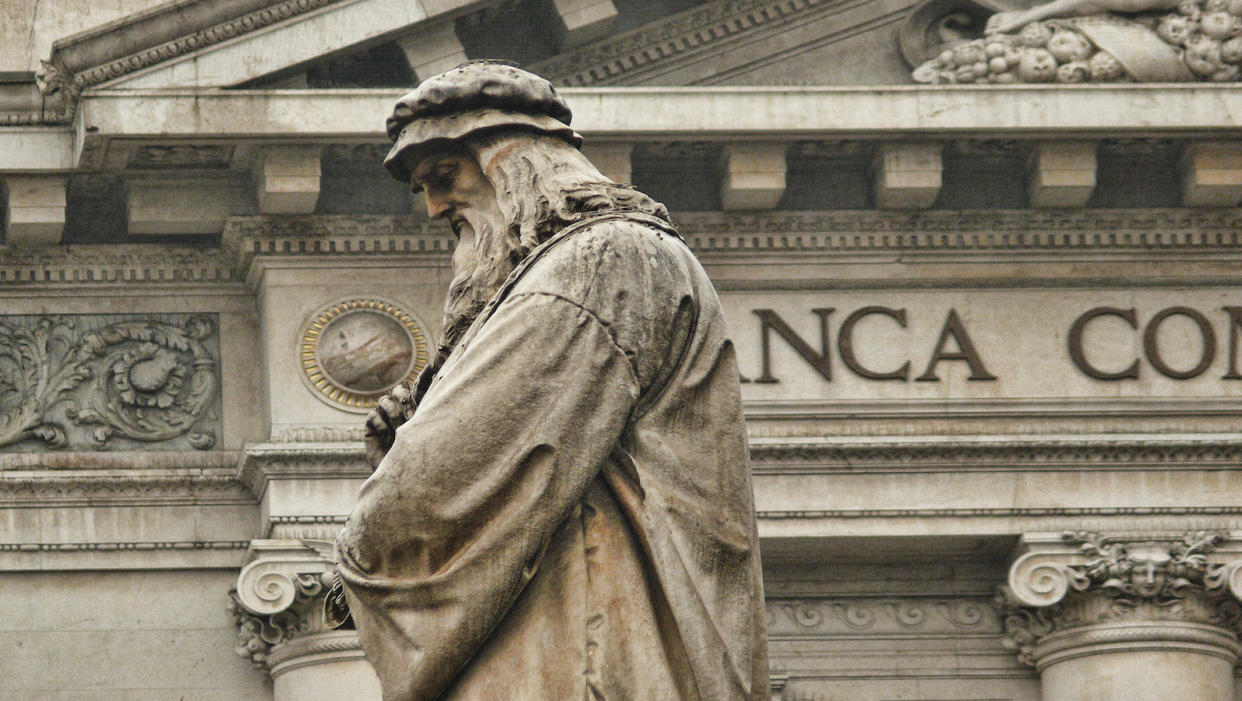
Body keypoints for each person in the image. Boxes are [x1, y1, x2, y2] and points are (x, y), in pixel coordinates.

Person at [333, 61, 769, 701]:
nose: (432, 207)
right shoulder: (576, 267)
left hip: (592, 642)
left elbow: (461, 461)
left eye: (443, 175)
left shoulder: (601, 258)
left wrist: (356, 557)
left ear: (508, 159)